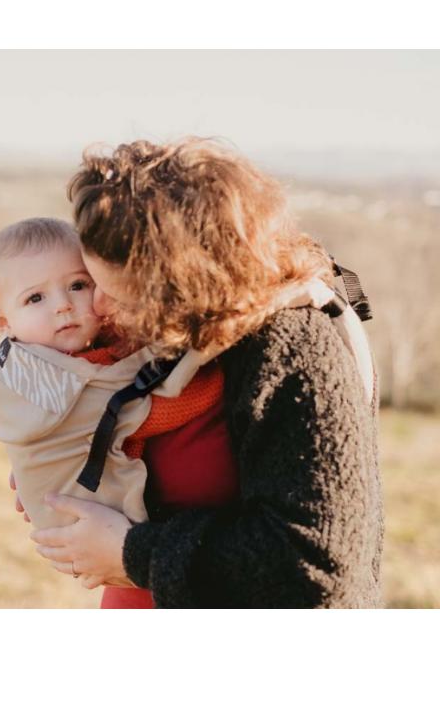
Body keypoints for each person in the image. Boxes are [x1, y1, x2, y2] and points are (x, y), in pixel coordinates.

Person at [25, 139, 383, 608]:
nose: (98, 307)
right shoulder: (176, 329)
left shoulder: (293, 352)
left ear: (184, 284)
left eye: (118, 292)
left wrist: (131, 552)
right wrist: (62, 479)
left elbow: (316, 564)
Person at [0, 216, 224, 540]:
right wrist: (226, 364)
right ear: (3, 321)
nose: (63, 305)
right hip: (101, 530)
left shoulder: (38, 359)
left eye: (77, 285)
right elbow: (166, 405)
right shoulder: (54, 383)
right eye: (36, 298)